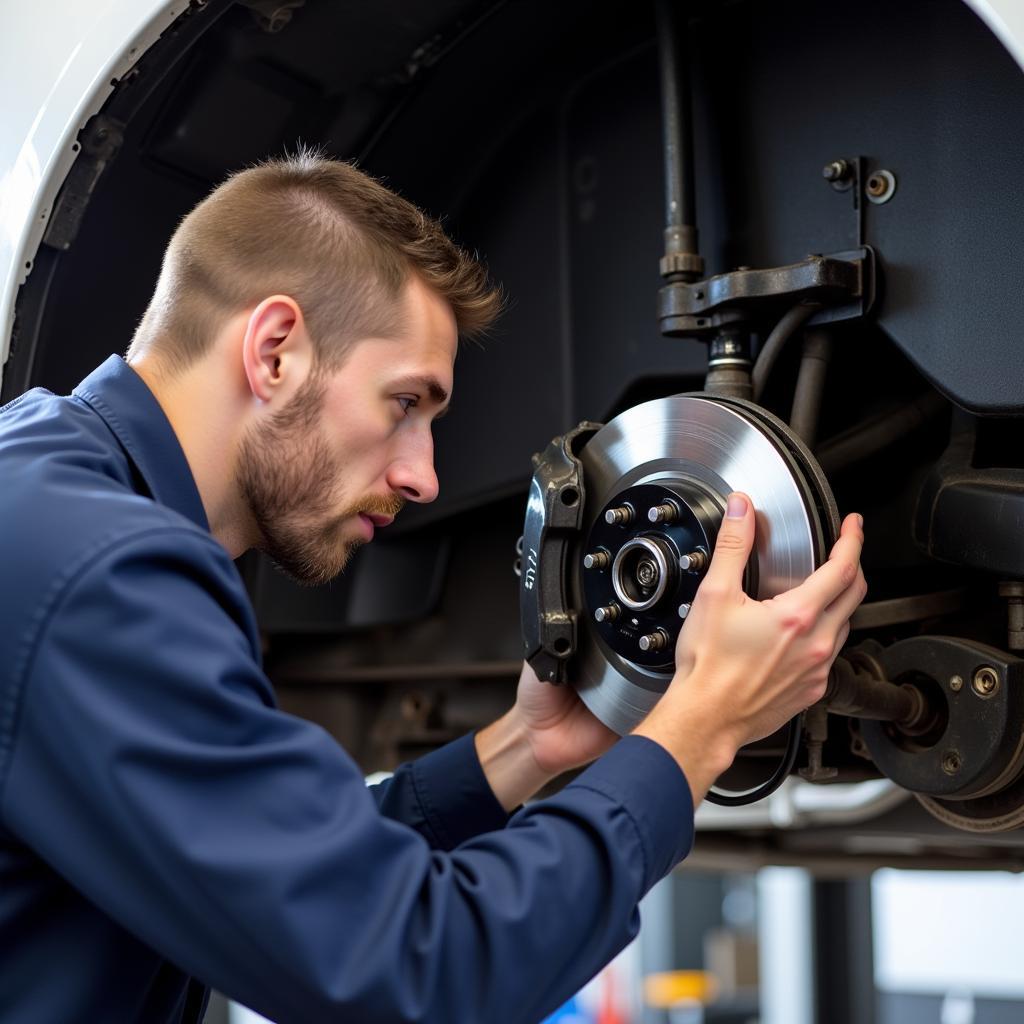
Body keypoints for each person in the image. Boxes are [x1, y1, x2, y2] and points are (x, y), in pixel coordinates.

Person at [0, 152, 866, 1024]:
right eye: (405, 403)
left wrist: (529, 746)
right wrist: (699, 728)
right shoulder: (94, 569)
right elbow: (422, 969)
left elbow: (289, 883)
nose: (423, 477)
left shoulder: (48, 491)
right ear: (274, 352)